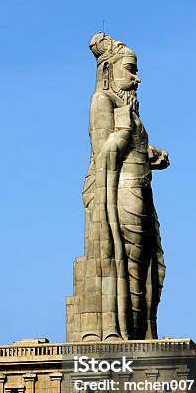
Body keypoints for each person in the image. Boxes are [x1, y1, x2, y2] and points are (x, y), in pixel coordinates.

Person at [79, 33, 169, 342]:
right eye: (130, 69)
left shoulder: (129, 110)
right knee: (123, 262)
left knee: (146, 268)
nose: (137, 79)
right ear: (107, 72)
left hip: (140, 192)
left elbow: (131, 147)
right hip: (119, 194)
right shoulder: (102, 100)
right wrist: (123, 130)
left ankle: (141, 332)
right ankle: (116, 332)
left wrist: (151, 152)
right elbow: (104, 152)